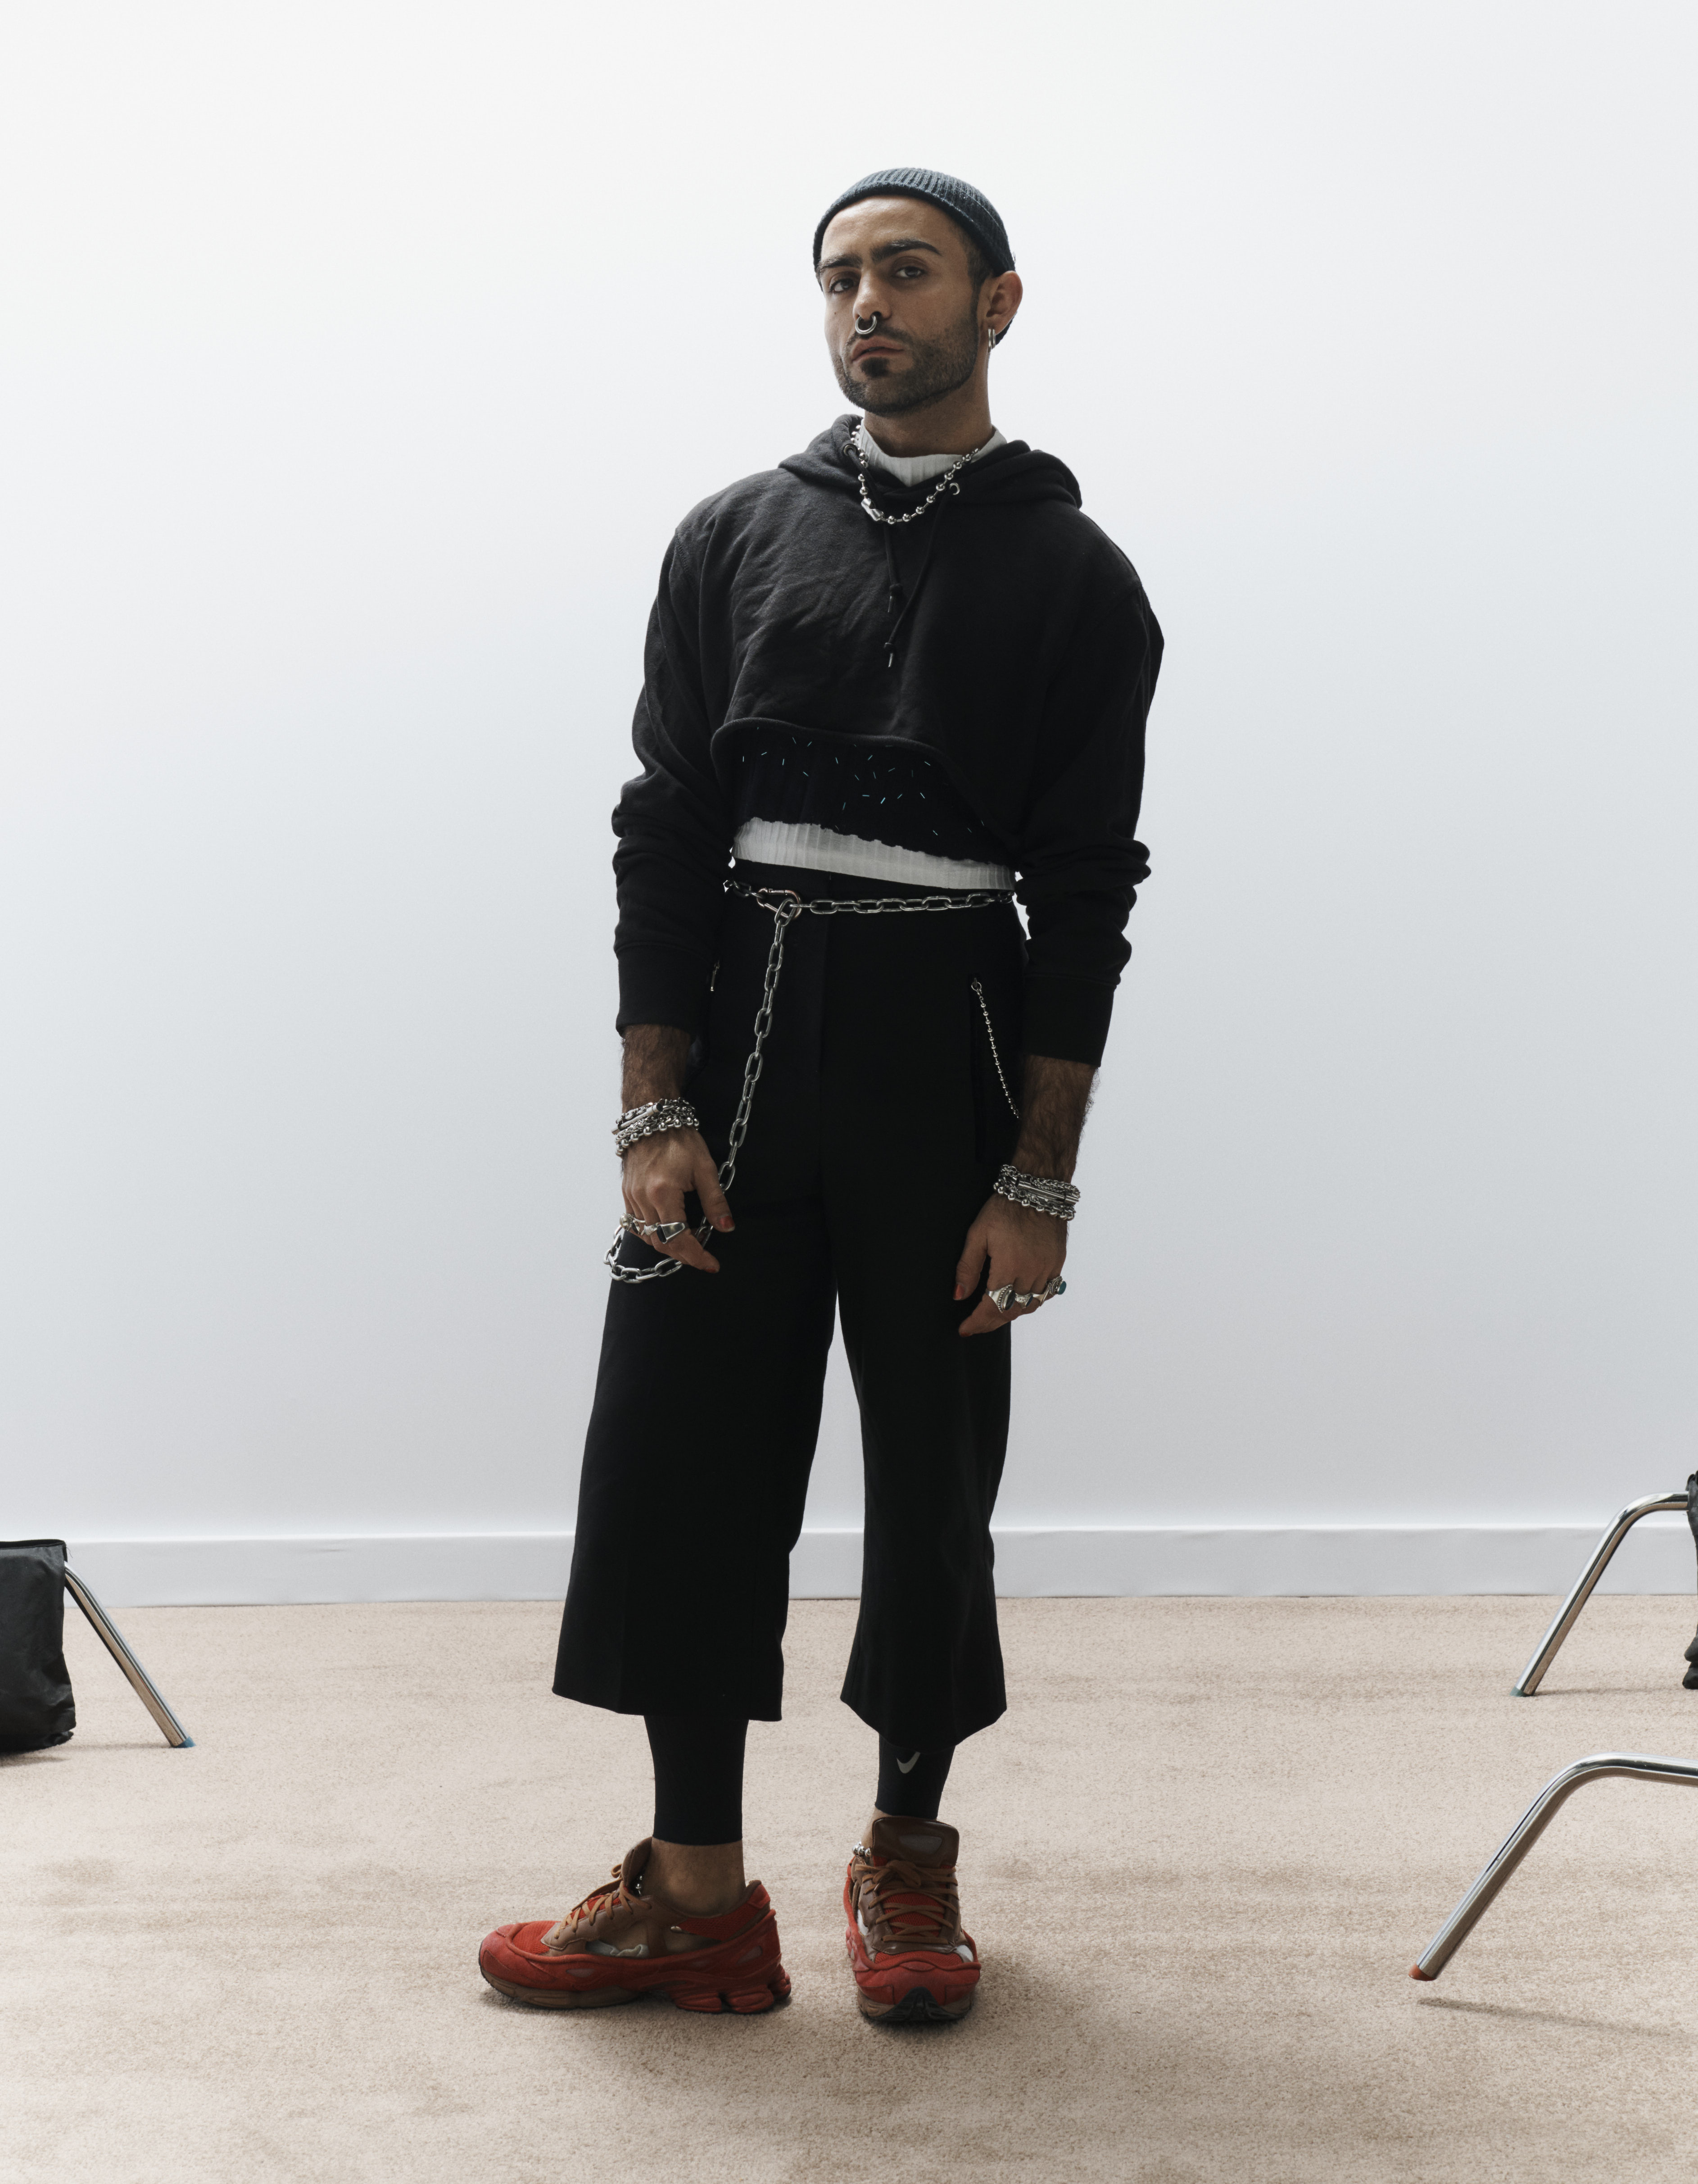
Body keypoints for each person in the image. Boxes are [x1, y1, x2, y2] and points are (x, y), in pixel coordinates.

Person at [479, 167, 1162, 2024]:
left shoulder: (1079, 577)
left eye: (907, 270)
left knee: (935, 1473)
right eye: (841, 274)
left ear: (995, 303)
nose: (868, 302)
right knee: (677, 1449)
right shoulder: (732, 534)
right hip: (743, 1015)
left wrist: (1040, 1174)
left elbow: (1086, 890)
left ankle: (908, 1853)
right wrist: (652, 1103)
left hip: (949, 1026)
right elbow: (662, 826)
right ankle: (697, 1889)